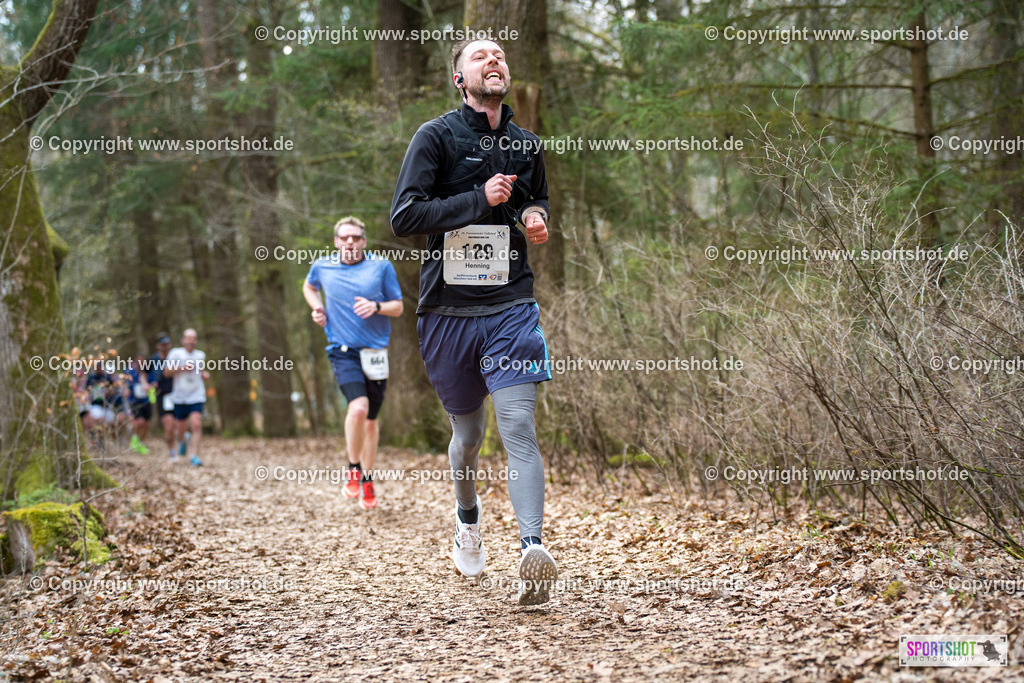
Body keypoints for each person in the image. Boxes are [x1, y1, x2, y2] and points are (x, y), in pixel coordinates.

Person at [390, 39, 556, 604]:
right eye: (481, 56)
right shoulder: (434, 138)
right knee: (468, 436)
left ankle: (532, 548)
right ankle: (467, 521)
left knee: (517, 427)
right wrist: (476, 200)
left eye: (502, 55)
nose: (495, 61)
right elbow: (405, 216)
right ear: (458, 77)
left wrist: (534, 218)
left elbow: (538, 201)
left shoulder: (526, 144)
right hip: (447, 311)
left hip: (510, 305)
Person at [303, 216, 403, 509]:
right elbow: (310, 287)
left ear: (364, 241)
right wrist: (317, 308)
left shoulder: (381, 266)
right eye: (344, 238)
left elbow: (398, 307)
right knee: (358, 408)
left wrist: (376, 306)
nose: (350, 242)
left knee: (371, 422)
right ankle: (353, 468)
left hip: (375, 353)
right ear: (336, 242)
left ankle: (368, 480)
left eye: (356, 237)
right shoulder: (322, 266)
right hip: (342, 349)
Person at [164, 329, 209, 467]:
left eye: (193, 338)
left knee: (196, 423)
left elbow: (198, 371)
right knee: (181, 427)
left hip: (196, 394)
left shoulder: (200, 355)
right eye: (188, 338)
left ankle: (194, 456)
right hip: (180, 396)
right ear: (183, 340)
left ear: (196, 340)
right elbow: (166, 372)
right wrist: (182, 367)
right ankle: (183, 439)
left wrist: (203, 374)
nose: (191, 341)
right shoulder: (175, 354)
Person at [149, 334, 178, 461]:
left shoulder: (177, 357)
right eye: (162, 344)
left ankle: (182, 440)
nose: (165, 347)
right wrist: (148, 385)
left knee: (179, 424)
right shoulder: (153, 360)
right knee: (168, 425)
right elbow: (144, 376)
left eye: (167, 344)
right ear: (158, 346)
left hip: (178, 394)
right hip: (162, 395)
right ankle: (171, 450)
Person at [125, 357, 152, 454]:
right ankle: (134, 439)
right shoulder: (130, 373)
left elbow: (153, 383)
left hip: (146, 402)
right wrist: (125, 388)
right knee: (139, 422)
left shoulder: (148, 373)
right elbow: (124, 381)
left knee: (146, 424)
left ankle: (141, 443)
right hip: (135, 402)